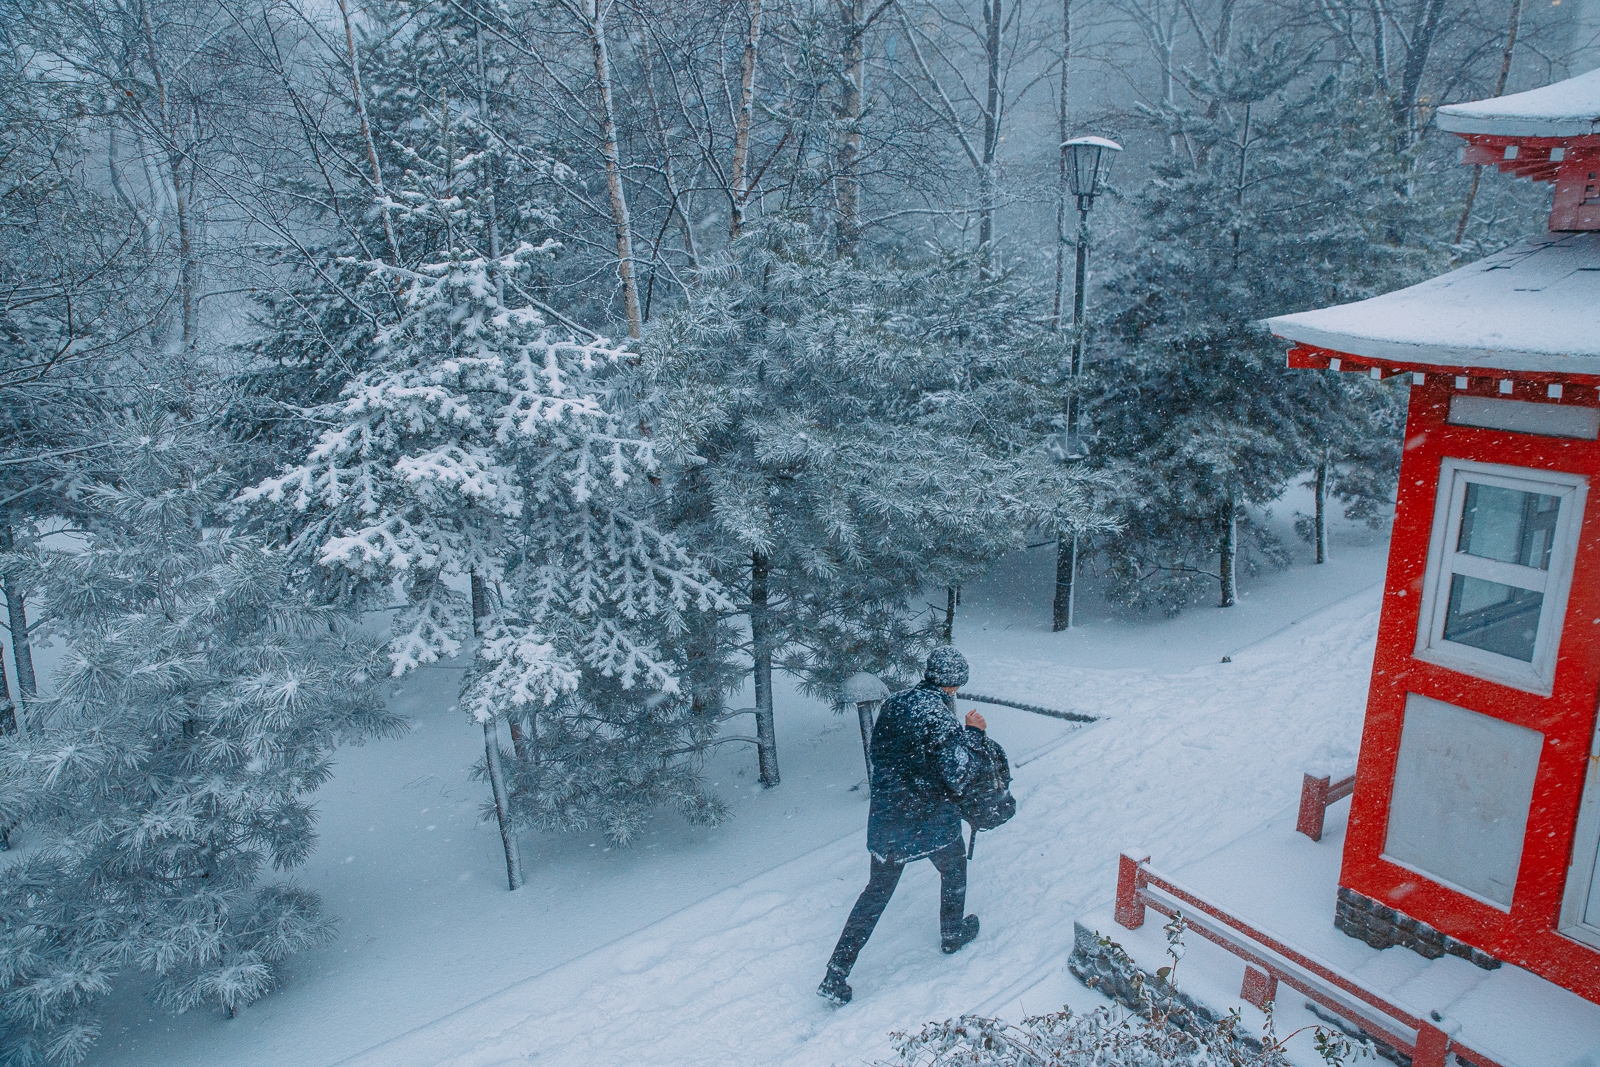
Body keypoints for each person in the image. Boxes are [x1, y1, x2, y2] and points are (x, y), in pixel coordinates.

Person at [818, 646, 988, 1006]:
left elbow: (883, 754)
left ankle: (836, 973)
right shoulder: (939, 717)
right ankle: (951, 934)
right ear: (955, 684)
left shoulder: (895, 702)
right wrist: (973, 734)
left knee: (875, 895)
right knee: (954, 868)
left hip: (888, 819)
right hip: (929, 819)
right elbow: (958, 775)